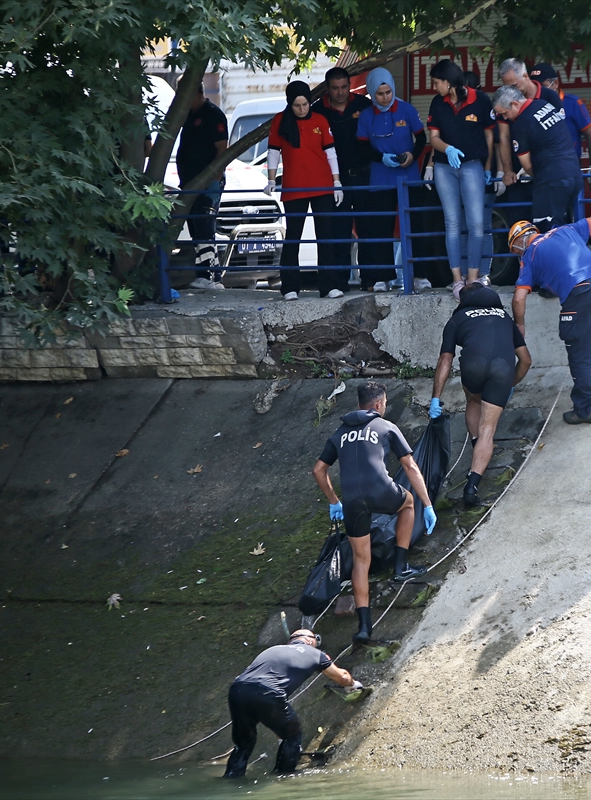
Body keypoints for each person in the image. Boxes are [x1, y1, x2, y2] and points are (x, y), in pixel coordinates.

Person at [313, 381, 437, 643]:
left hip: (352, 502)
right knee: (408, 503)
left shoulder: (339, 433)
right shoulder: (386, 426)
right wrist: (427, 504)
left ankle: (364, 628)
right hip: (381, 492)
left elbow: (318, 470)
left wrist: (334, 501)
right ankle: (401, 567)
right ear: (379, 404)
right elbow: (411, 467)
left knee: (361, 560)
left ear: (359, 405)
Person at [509, 195, 591, 424]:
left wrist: (519, 324)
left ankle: (584, 409)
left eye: (515, 251)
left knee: (578, 349)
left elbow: (519, 298)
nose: (517, 255)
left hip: (581, 290)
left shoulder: (529, 256)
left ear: (518, 243)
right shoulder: (564, 230)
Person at [430, 283, 531, 505]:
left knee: (474, 400)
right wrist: (509, 383)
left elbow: (445, 360)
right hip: (503, 369)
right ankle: (472, 486)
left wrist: (436, 397)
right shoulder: (505, 317)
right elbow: (525, 360)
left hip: (473, 367)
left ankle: (477, 448)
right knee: (488, 429)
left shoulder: (458, 318)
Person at [224, 629, 358, 777]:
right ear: (308, 640)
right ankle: (284, 778)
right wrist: (352, 684)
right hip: (268, 692)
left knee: (243, 743)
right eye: (316, 640)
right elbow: (343, 678)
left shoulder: (273, 649)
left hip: (238, 690)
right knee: (292, 735)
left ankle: (231, 777)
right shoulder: (314, 653)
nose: (316, 644)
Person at [265, 81, 344, 301]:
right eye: (297, 105)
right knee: (293, 237)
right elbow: (273, 151)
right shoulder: (280, 121)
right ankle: (290, 287)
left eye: (305, 104)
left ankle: (328, 286)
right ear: (290, 104)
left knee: (325, 236)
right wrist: (271, 179)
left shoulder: (320, 120)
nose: (302, 109)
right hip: (294, 187)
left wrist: (336, 182)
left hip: (322, 186)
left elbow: (331, 153)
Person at [427, 59, 496, 297]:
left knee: (477, 224)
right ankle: (457, 279)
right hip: (445, 166)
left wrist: (488, 168)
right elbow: (433, 137)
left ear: (447, 81)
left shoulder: (480, 100)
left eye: (436, 82)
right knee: (453, 223)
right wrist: (448, 149)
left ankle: (474, 279)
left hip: (472, 165)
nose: (434, 87)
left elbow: (489, 137)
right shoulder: (438, 103)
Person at [357, 68, 425, 293]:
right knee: (381, 228)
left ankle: (418, 275)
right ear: (371, 94)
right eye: (380, 94)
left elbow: (421, 137)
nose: (385, 97)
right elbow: (363, 147)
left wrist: (412, 155)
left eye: (388, 92)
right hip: (381, 177)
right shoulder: (367, 115)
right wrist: (382, 158)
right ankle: (383, 277)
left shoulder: (406, 109)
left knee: (414, 226)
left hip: (408, 176)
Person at [312, 67, 374, 295]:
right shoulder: (318, 111)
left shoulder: (363, 105)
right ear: (327, 89)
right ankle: (339, 282)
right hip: (334, 180)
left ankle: (370, 279)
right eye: (335, 88)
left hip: (363, 174)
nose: (340, 92)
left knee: (368, 227)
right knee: (338, 231)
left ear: (350, 86)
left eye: (344, 87)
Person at [493, 84, 583, 232]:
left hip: (551, 180)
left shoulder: (521, 124)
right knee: (566, 228)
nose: (505, 118)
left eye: (504, 113)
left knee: (547, 232)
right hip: (573, 173)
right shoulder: (543, 104)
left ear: (515, 104)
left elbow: (527, 166)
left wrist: (535, 174)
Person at [176, 85, 228, 290]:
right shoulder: (188, 115)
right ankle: (204, 274)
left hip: (207, 184)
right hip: (189, 183)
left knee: (205, 225)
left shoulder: (213, 114)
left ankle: (211, 276)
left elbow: (222, 148)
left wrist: (214, 177)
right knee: (196, 228)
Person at [495, 58, 562, 195]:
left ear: (525, 76)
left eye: (514, 86)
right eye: (506, 87)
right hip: (518, 174)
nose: (510, 91)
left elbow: (560, 134)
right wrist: (507, 170)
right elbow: (504, 136)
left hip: (548, 170)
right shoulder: (504, 100)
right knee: (518, 215)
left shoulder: (549, 96)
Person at [531, 63, 591, 168]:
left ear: (555, 83)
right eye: (535, 86)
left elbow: (590, 135)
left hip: (570, 166)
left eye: (542, 85)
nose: (538, 90)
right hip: (542, 166)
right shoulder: (531, 106)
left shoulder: (573, 103)